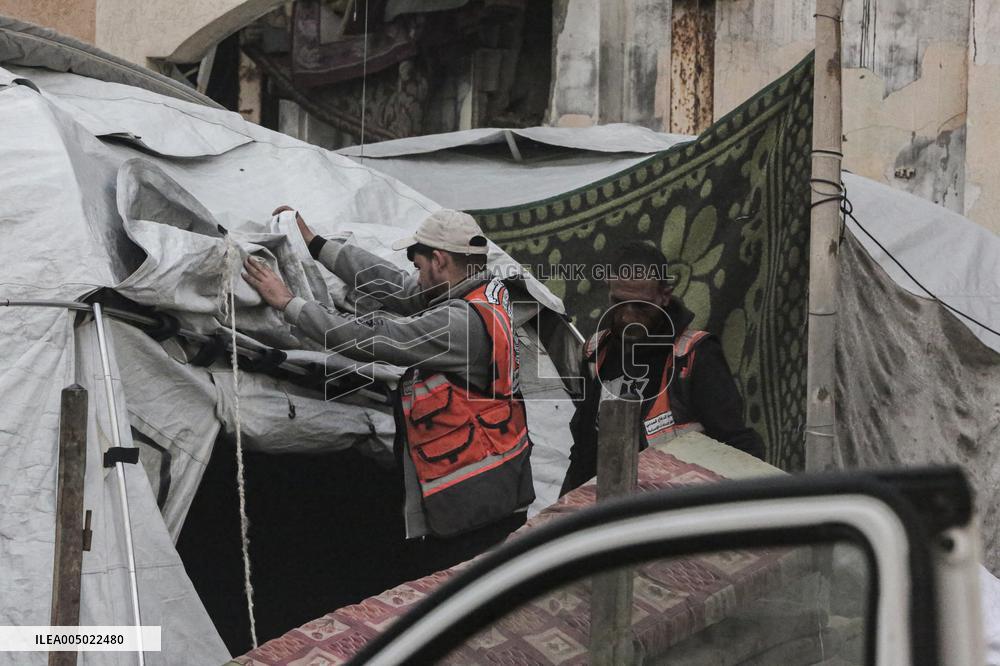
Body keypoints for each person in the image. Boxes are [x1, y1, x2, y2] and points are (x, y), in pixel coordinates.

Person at [243, 207, 534, 565]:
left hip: (472, 506)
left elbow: (375, 337)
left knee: (467, 596)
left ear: (439, 260)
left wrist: (289, 304)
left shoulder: (459, 325)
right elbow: (393, 285)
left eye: (418, 262)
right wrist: (317, 245)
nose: (414, 271)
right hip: (492, 486)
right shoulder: (484, 292)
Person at [561, 241, 764, 494]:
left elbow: (739, 447)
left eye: (641, 306)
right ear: (608, 290)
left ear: (664, 296)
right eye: (619, 302)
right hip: (609, 512)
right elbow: (584, 448)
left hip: (676, 514)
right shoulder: (595, 352)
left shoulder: (694, 356)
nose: (627, 316)